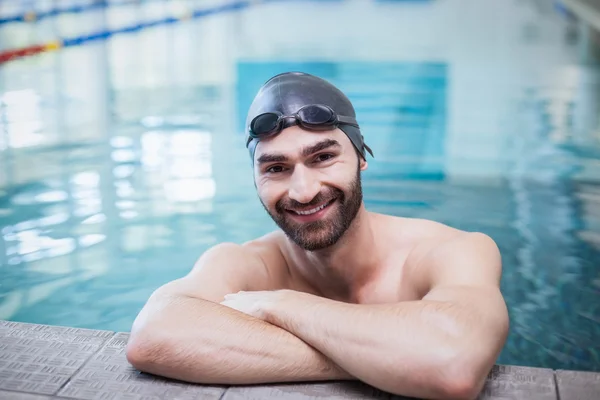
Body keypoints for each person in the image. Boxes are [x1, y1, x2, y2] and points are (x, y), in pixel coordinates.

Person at [126, 72, 509, 400]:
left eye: (323, 157)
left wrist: (284, 306)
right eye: (276, 167)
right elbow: (153, 335)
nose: (303, 191)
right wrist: (386, 358)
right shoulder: (245, 262)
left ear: (361, 157)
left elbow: (452, 364)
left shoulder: (452, 250)